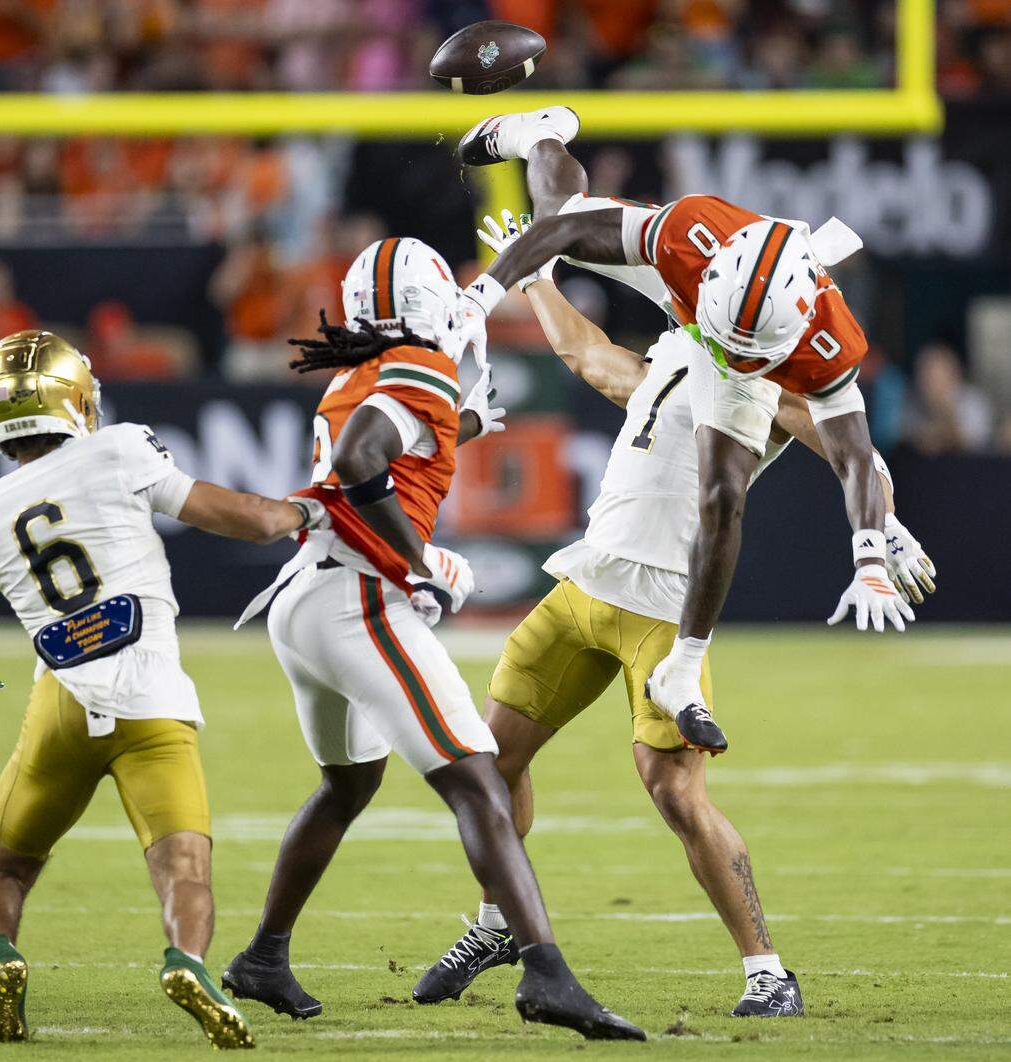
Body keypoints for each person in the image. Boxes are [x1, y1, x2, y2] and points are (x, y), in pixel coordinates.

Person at [414, 210, 936, 1019]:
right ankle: (497, 924)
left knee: (675, 793)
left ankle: (768, 971)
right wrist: (536, 276)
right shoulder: (691, 336)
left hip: (660, 605)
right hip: (586, 582)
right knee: (488, 765)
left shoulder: (763, 377)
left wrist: (882, 528)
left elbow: (852, 452)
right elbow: (590, 359)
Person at [221, 237, 645, 1041]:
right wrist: (417, 563)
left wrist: (467, 421)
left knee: (348, 788)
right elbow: (358, 461)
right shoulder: (416, 367)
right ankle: (546, 973)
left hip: (305, 601)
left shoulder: (366, 370)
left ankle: (263, 958)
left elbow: (396, 441)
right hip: (358, 599)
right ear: (421, 308)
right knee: (479, 781)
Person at [453, 107, 917, 752]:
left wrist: (873, 544)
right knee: (566, 210)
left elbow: (856, 456)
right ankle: (537, 135)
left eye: (750, 355)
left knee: (722, 495)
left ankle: (684, 668)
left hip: (728, 321)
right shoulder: (688, 235)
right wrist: (480, 296)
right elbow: (559, 232)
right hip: (694, 288)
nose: (729, 361)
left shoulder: (826, 340)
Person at [0, 329, 328, 1048]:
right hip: (154, 701)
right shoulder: (117, 449)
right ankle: (188, 963)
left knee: (4, 870)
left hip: (59, 709)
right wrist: (306, 511)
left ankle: (3, 954)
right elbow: (245, 519)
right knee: (184, 870)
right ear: (75, 398)